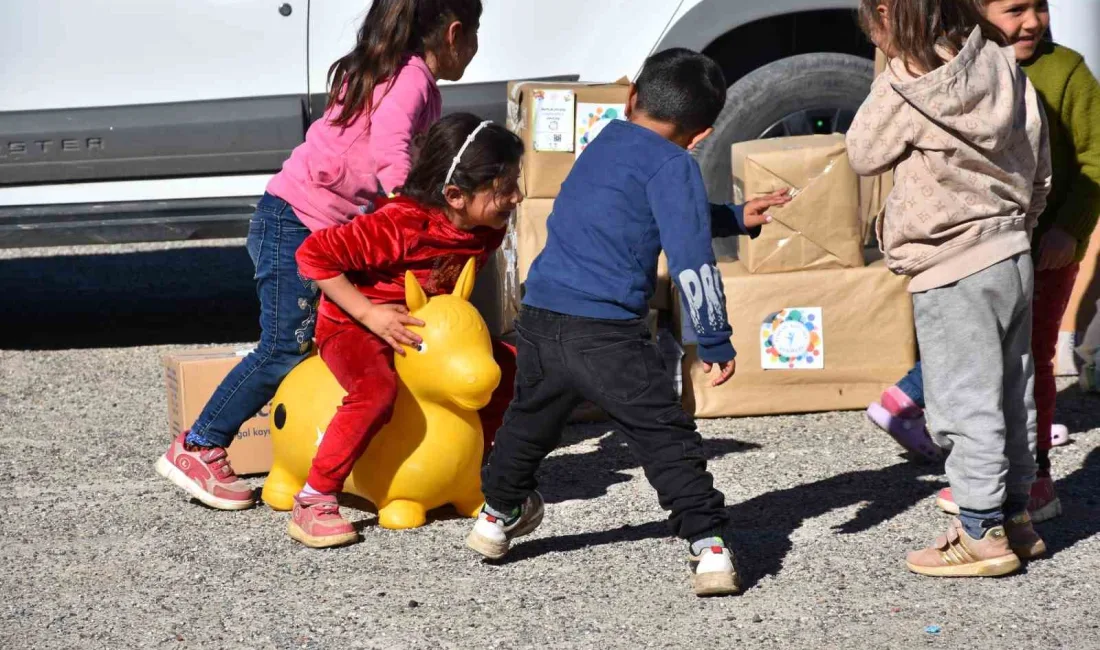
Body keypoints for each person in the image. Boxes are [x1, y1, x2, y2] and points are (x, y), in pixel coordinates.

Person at [463, 48, 791, 597]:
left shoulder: (604, 145)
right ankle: (708, 546)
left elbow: (644, 208)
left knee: (528, 425)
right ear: (701, 133)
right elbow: (691, 258)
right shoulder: (676, 165)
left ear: (632, 98)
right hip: (607, 336)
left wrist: (734, 217)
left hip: (542, 319)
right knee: (664, 436)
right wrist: (713, 337)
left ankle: (495, 517)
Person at [155, 0, 484, 510]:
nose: (476, 48)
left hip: (311, 221)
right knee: (284, 346)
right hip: (295, 222)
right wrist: (407, 211)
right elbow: (392, 147)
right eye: (476, 33)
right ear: (454, 33)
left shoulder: (390, 70)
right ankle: (200, 443)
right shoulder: (412, 80)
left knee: (311, 344)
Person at [865, 0, 1100, 523]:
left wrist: (1067, 229)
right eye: (1015, 9)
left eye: (1039, 6)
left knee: (1010, 373)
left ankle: (1002, 506)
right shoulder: (984, 66)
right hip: (999, 247)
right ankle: (1007, 501)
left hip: (1032, 252)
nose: (1032, 21)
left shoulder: (1064, 71)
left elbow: (1093, 159)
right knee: (992, 373)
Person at [847, 0, 1051, 577]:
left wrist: (891, 72)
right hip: (1011, 249)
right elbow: (1040, 154)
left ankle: (980, 531)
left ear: (886, 13)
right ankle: (1017, 519)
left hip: (951, 263)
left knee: (965, 401)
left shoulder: (909, 82)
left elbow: (862, 153)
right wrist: (1022, 226)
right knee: (1013, 390)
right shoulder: (997, 59)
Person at [285, 114, 524, 547]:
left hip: (423, 334)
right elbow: (313, 255)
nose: (518, 197)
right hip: (355, 326)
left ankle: (475, 467)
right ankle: (315, 496)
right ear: (454, 195)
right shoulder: (399, 225)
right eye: (504, 189)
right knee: (375, 391)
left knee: (509, 370)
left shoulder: (485, 227)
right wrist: (370, 315)